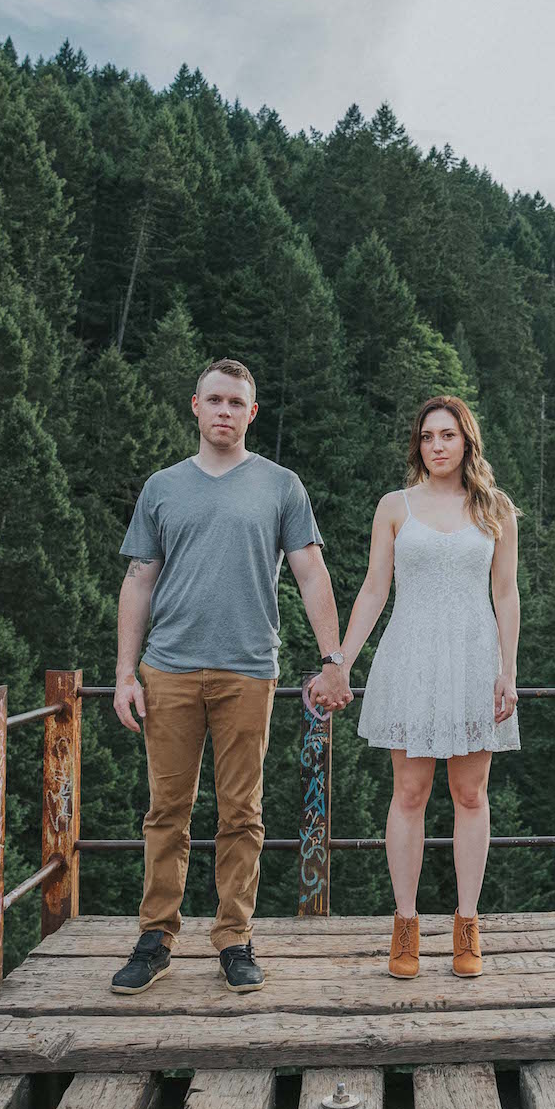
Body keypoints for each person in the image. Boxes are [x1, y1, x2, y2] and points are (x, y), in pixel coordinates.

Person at [107, 358, 352, 996]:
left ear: (252, 413)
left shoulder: (280, 486)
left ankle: (235, 938)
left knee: (241, 813)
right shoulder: (162, 487)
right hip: (168, 670)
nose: (223, 411)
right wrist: (123, 674)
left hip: (248, 671)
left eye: (235, 402)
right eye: (214, 399)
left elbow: (311, 573)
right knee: (167, 811)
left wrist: (333, 659)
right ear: (194, 405)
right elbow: (138, 580)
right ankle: (156, 936)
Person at [337, 395, 521, 980]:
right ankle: (406, 923)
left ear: (467, 441)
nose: (436, 446)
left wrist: (507, 670)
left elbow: (507, 594)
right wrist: (341, 659)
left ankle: (467, 924)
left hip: (473, 660)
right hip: (410, 658)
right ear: (417, 445)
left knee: (471, 796)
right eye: (426, 437)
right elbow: (373, 589)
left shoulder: (495, 509)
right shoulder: (395, 507)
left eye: (447, 435)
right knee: (409, 794)